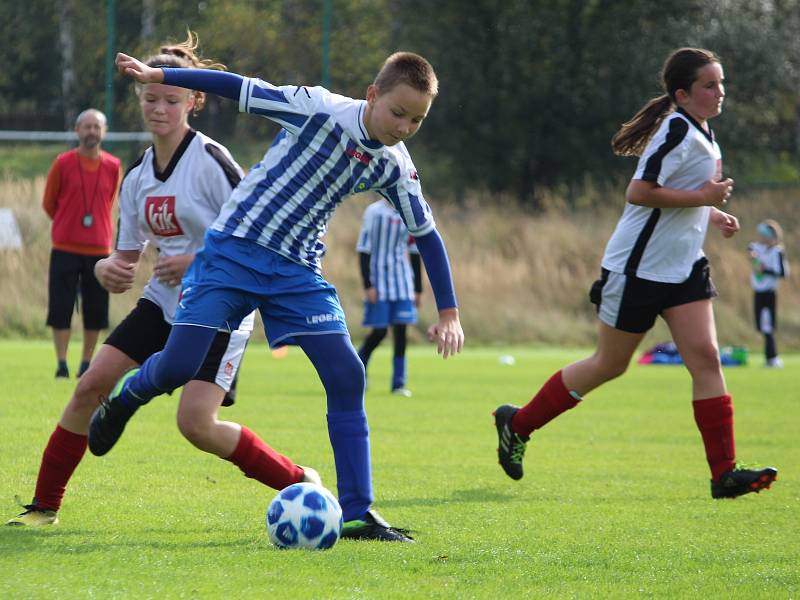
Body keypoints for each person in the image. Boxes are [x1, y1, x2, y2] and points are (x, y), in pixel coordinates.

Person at [89, 49, 465, 543]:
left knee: (347, 372)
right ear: (372, 95)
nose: (405, 127)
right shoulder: (316, 108)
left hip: (296, 273)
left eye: (417, 120)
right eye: (398, 113)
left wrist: (449, 311)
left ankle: (357, 513)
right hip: (231, 254)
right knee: (179, 365)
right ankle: (128, 396)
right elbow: (238, 86)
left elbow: (428, 235)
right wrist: (161, 74)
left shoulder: (395, 165)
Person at [7, 35, 317, 527]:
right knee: (90, 385)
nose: (159, 108)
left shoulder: (213, 162)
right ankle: (43, 507)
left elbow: (257, 237)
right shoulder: (136, 178)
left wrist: (196, 260)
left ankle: (301, 482)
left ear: (193, 100)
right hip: (164, 302)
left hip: (223, 309)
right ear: (138, 100)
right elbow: (125, 257)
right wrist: (107, 269)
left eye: (171, 99)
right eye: (150, 98)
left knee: (195, 425)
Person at [493, 48, 777, 499]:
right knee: (609, 365)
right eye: (710, 84)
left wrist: (709, 213)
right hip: (638, 271)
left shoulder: (704, 131)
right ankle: (518, 423)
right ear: (683, 94)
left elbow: (678, 197)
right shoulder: (675, 131)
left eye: (721, 83)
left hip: (684, 268)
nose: (720, 92)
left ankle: (723, 474)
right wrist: (703, 197)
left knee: (705, 357)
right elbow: (639, 192)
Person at [43, 108, 123, 378]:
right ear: (77, 131)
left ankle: (86, 363)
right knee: (61, 307)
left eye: (96, 127)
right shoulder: (63, 162)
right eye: (86, 127)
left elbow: (109, 201)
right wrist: (67, 225)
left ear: (104, 132)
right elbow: (49, 203)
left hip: (99, 251)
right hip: (65, 248)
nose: (91, 132)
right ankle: (62, 363)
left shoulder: (113, 166)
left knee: (96, 310)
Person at [356, 198, 422, 397]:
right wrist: (368, 284)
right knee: (380, 332)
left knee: (401, 331)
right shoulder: (374, 211)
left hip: (402, 281)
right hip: (379, 280)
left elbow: (414, 251)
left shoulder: (408, 211)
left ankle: (399, 384)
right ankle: (359, 370)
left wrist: (418, 288)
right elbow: (363, 249)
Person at [749, 219, 789, 368]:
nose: (761, 238)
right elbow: (750, 249)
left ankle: (772, 358)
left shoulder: (777, 252)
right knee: (761, 326)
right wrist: (752, 256)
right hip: (757, 292)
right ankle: (770, 357)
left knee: (768, 326)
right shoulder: (757, 248)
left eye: (764, 235)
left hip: (769, 293)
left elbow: (783, 272)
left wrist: (764, 270)